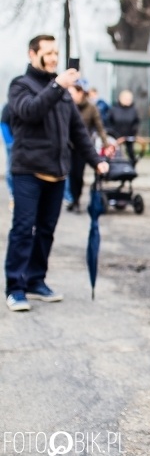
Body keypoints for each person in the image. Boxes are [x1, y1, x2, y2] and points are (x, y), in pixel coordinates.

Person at [5, 34, 108, 312]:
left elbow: (78, 132)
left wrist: (96, 160)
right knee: (23, 230)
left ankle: (36, 281)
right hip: (27, 171)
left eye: (55, 53)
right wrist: (56, 85)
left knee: (46, 231)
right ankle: (15, 287)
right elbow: (28, 112)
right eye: (47, 52)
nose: (53, 57)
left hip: (56, 173)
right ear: (32, 54)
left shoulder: (62, 93)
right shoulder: (20, 86)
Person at [66, 79, 112, 213]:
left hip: (83, 146)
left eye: (73, 92)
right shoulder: (69, 106)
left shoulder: (92, 108)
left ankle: (76, 199)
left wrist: (106, 144)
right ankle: (73, 199)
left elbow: (100, 127)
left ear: (81, 92)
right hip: (69, 146)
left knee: (78, 175)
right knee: (71, 174)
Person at [107, 89, 141, 164]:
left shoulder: (134, 110)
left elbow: (136, 122)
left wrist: (134, 131)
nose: (127, 100)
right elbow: (109, 122)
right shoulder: (114, 109)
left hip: (129, 135)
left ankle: (131, 167)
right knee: (115, 153)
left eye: (129, 99)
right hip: (116, 136)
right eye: (125, 98)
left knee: (131, 153)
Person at [1, 103, 14, 209]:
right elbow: (4, 124)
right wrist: (9, 142)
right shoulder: (8, 107)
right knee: (10, 169)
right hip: (12, 143)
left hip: (24, 144)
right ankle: (12, 194)